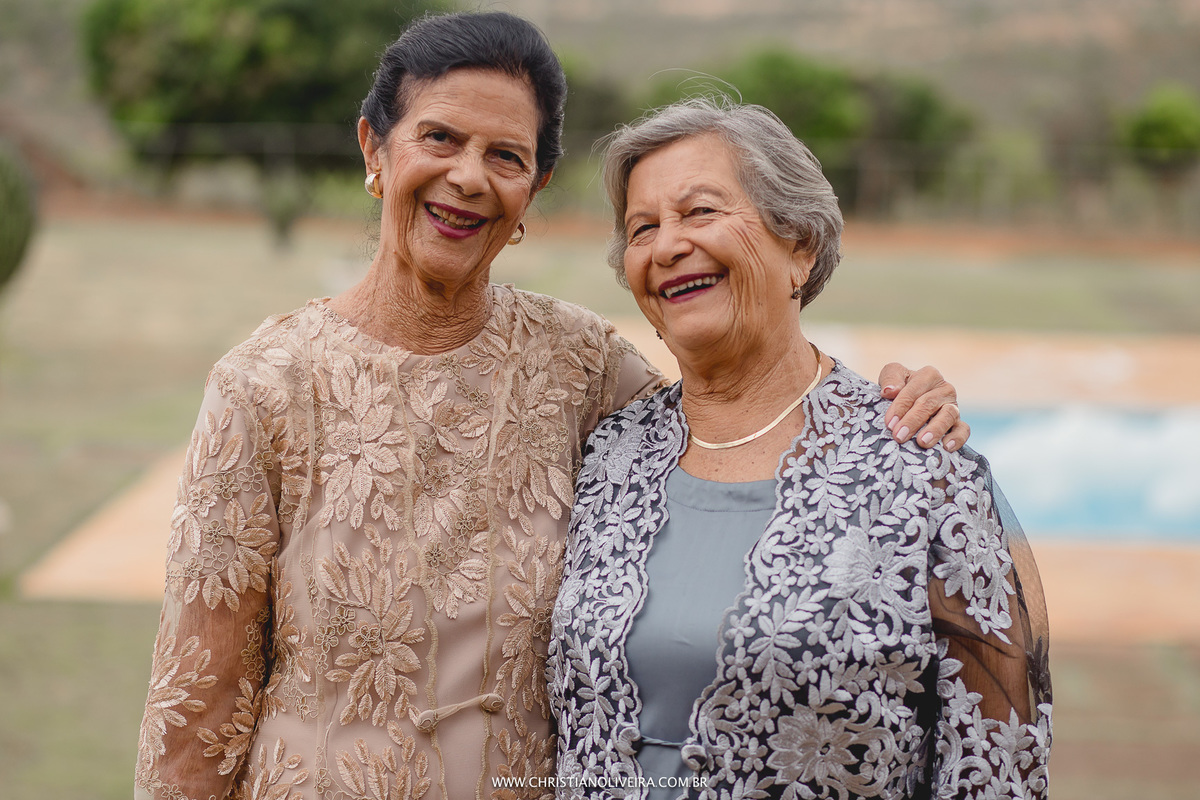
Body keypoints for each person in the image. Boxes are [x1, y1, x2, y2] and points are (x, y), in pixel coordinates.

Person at [134, 13, 970, 800]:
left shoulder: (581, 366)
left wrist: (884, 401)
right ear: (374, 148)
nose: (468, 176)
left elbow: (737, 414)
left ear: (533, 188)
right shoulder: (265, 387)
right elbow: (195, 711)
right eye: (439, 138)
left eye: (506, 156)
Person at [549, 98, 1052, 800]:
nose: (667, 247)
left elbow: (997, 767)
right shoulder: (608, 455)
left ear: (801, 246)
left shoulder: (918, 465)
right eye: (643, 228)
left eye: (700, 212)